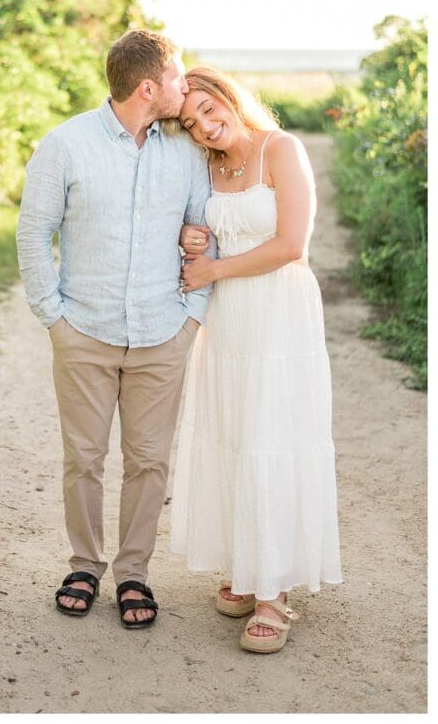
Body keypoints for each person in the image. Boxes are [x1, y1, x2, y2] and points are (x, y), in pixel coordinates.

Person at [16, 29, 214, 628]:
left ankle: (134, 573)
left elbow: (206, 230)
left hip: (163, 331)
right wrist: (54, 317)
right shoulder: (65, 145)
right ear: (149, 86)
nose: (187, 85)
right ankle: (84, 563)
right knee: (83, 457)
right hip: (85, 330)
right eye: (179, 77)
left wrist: (193, 316)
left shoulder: (185, 152)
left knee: (150, 461)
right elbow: (33, 233)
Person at [170, 66, 342, 653]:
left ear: (227, 96)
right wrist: (196, 242)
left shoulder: (281, 149)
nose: (205, 127)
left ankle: (276, 595)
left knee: (273, 437)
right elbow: (206, 231)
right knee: (235, 434)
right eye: (191, 124)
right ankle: (247, 567)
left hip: (278, 310)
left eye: (208, 110)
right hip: (230, 320)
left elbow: (292, 243)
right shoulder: (210, 166)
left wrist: (213, 267)